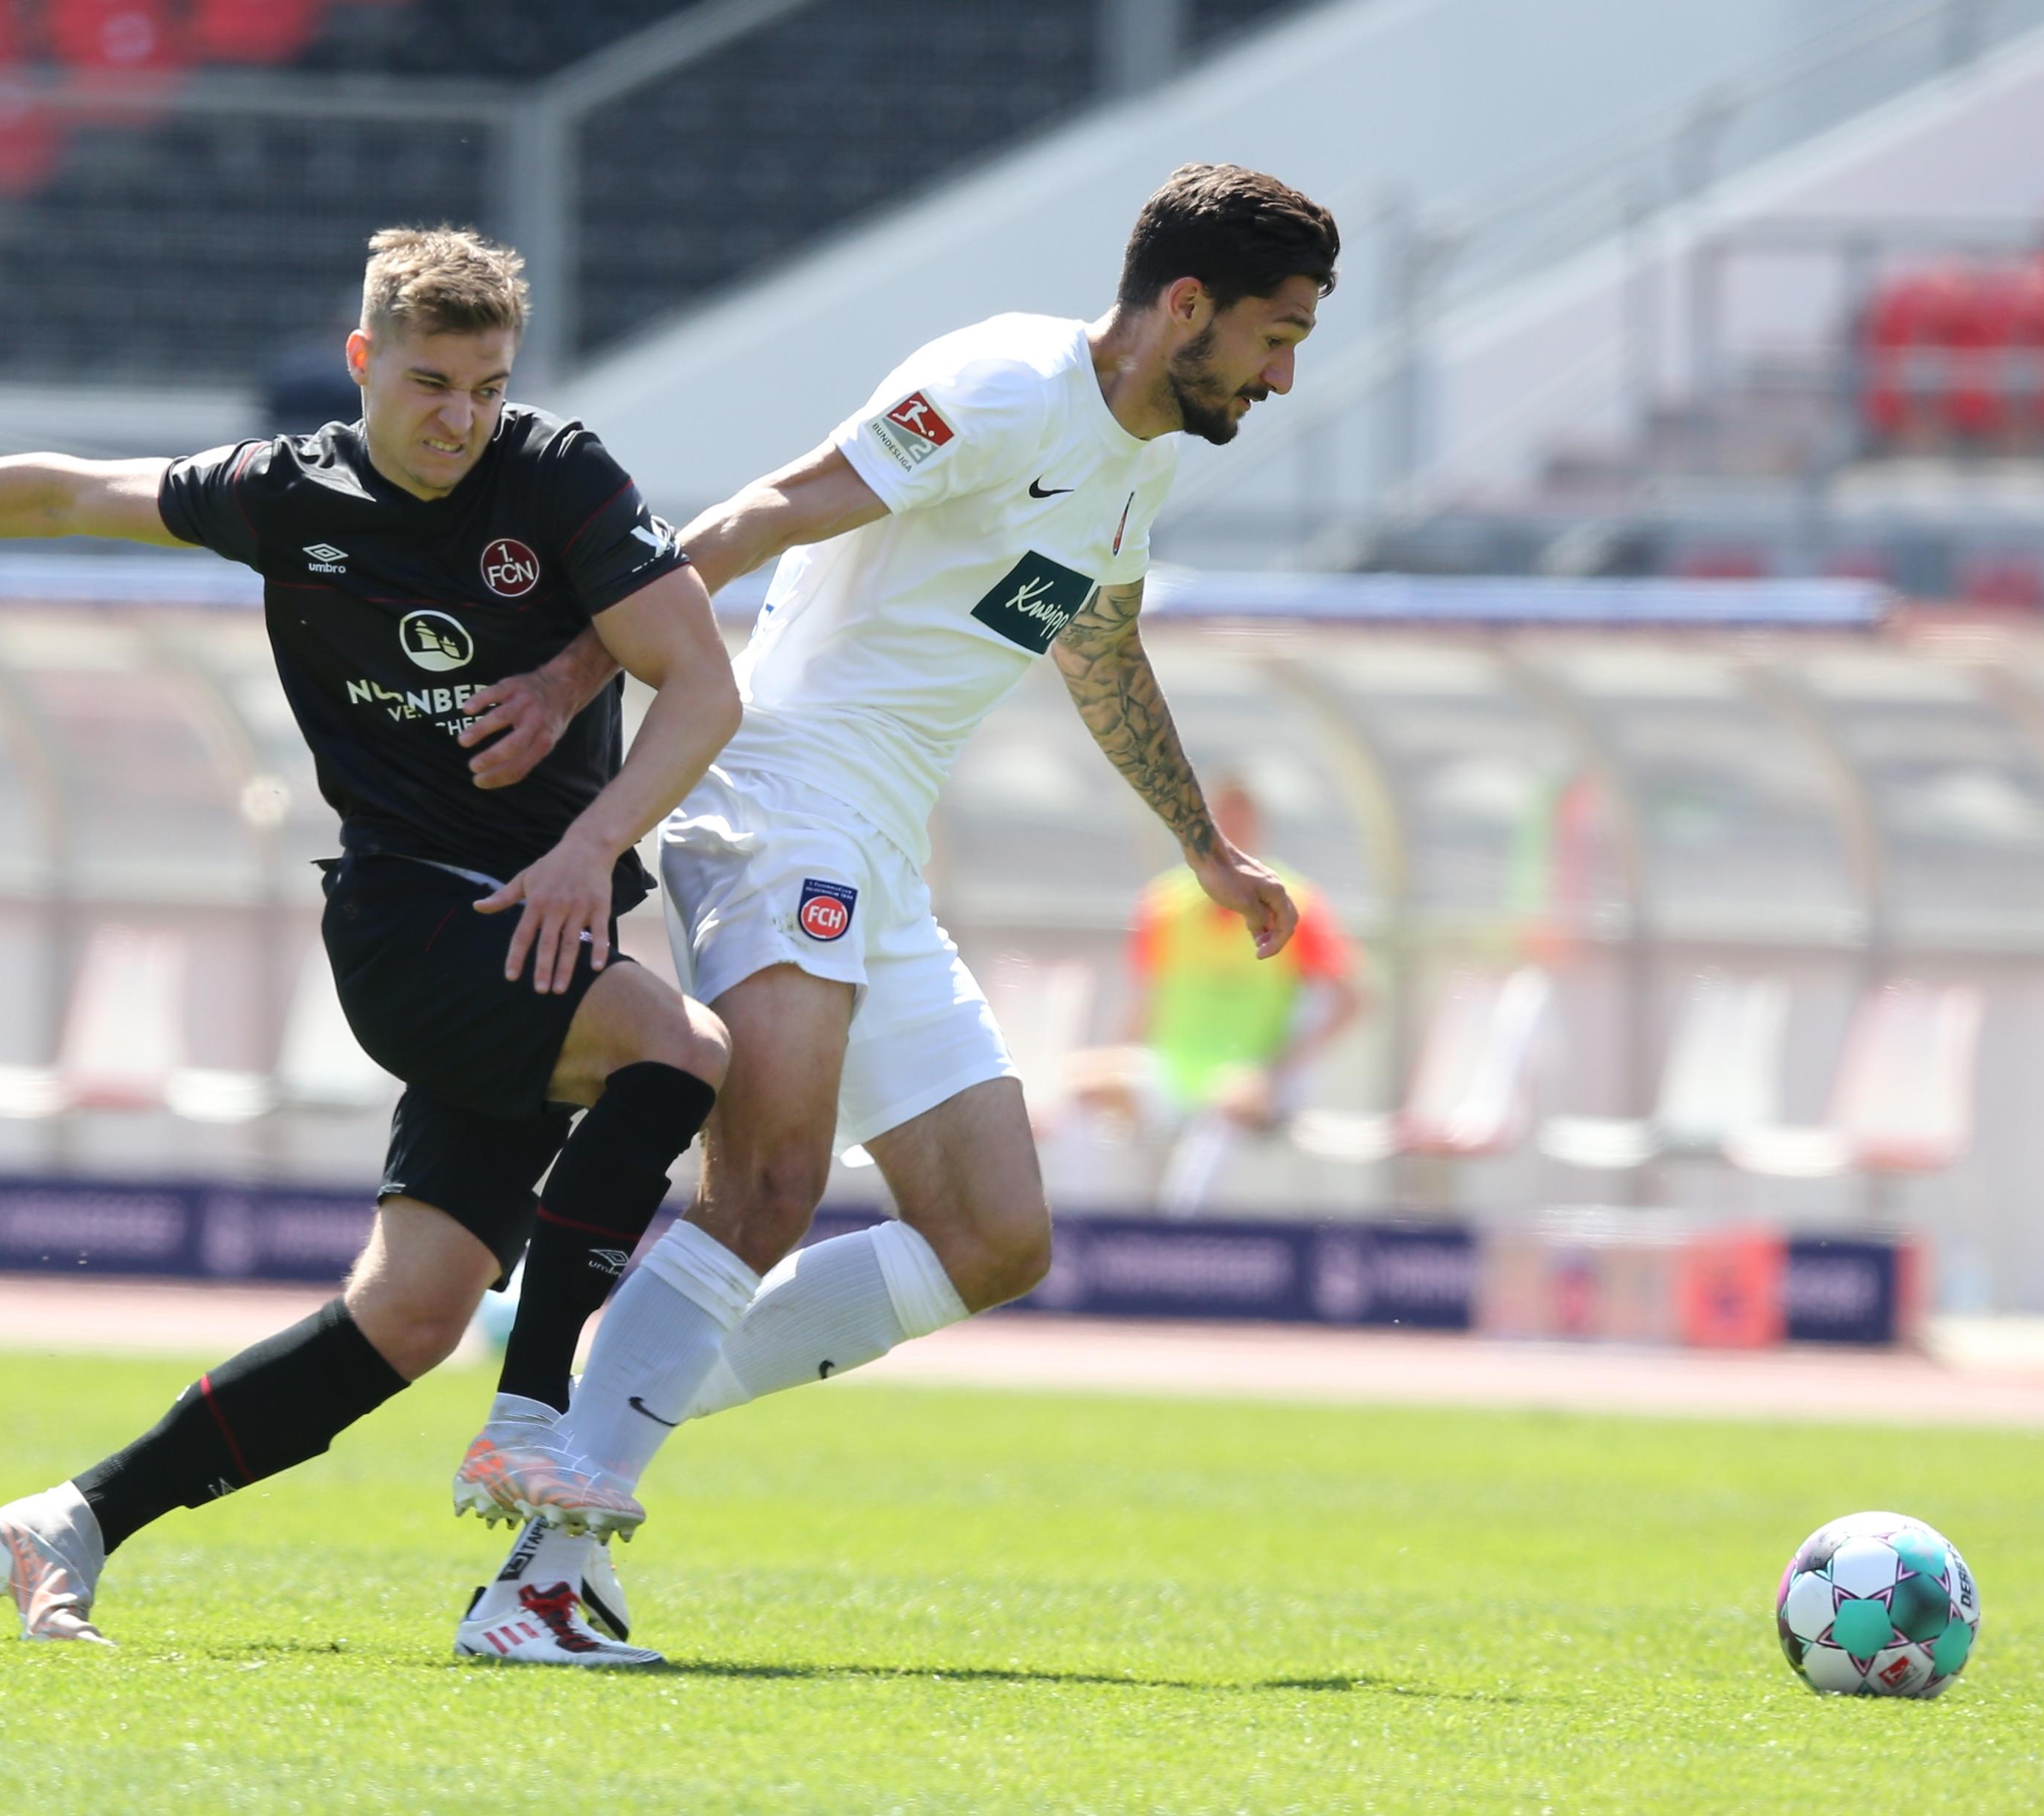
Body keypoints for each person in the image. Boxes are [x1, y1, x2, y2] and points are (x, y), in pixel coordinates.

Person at [0, 226, 741, 1667]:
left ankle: (71, 1519)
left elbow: (704, 684)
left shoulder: (554, 476)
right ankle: (532, 1415)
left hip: (537, 921)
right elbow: (64, 492)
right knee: (680, 1049)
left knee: (407, 1314)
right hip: (417, 919)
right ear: (362, 362)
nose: (461, 418)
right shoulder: (285, 493)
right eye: (430, 383)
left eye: (487, 387)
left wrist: (590, 844)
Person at [457, 164, 1341, 1639]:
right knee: (769, 1179)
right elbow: (765, 511)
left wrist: (1200, 843)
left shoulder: (1139, 462)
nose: (1285, 375)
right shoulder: (1000, 385)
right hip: (783, 800)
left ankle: (599, 1392)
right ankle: (546, 1563)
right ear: (1187, 305)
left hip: (877, 846)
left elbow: (1098, 648)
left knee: (994, 1234)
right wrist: (573, 671)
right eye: (1276, 334)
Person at [1123, 775, 1364, 1212]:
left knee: (1223, 1107)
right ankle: (1069, 1235)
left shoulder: (1294, 901)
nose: (1228, 837)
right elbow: (1145, 1000)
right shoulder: (1163, 904)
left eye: (1240, 822)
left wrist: (1280, 1070)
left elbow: (1350, 998)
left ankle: (1179, 1235)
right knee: (1077, 1089)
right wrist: (1127, 1052)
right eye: (1218, 823)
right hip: (1176, 1071)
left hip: (1252, 1076)